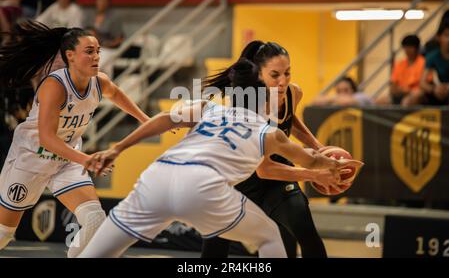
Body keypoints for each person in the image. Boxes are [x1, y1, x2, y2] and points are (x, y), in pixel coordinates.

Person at [77, 58, 362, 258]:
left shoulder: (207, 108)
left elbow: (163, 119)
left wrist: (117, 148)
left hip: (156, 178)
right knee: (269, 236)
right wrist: (335, 166)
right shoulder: (268, 132)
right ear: (264, 100)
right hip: (203, 186)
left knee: (96, 254)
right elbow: (311, 160)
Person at [0, 20, 150, 257]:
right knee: (4, 233)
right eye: (89, 52)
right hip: (31, 157)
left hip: (67, 159)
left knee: (95, 219)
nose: (96, 56)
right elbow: (47, 139)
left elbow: (117, 95)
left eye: (98, 51)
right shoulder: (55, 86)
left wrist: (146, 120)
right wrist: (86, 159)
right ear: (70, 55)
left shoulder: (99, 82)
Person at [201, 41, 328, 258]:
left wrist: (319, 147)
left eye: (287, 73)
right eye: (275, 75)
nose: (283, 81)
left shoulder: (293, 93)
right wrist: (315, 173)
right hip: (239, 178)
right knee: (214, 251)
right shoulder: (245, 105)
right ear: (259, 75)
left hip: (278, 176)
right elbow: (264, 169)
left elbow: (290, 119)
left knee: (306, 232)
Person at [375, 35, 425, 106]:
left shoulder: (423, 63)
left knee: (408, 101)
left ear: (416, 48)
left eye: (410, 47)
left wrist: (407, 91)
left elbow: (423, 86)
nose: (407, 50)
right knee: (379, 101)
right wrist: (402, 91)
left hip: (415, 95)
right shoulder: (399, 64)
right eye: (405, 47)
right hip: (400, 94)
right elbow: (393, 87)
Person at [411, 21, 449, 106]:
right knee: (414, 97)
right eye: (446, 35)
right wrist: (434, 89)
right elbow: (422, 83)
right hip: (437, 91)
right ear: (439, 37)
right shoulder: (432, 56)